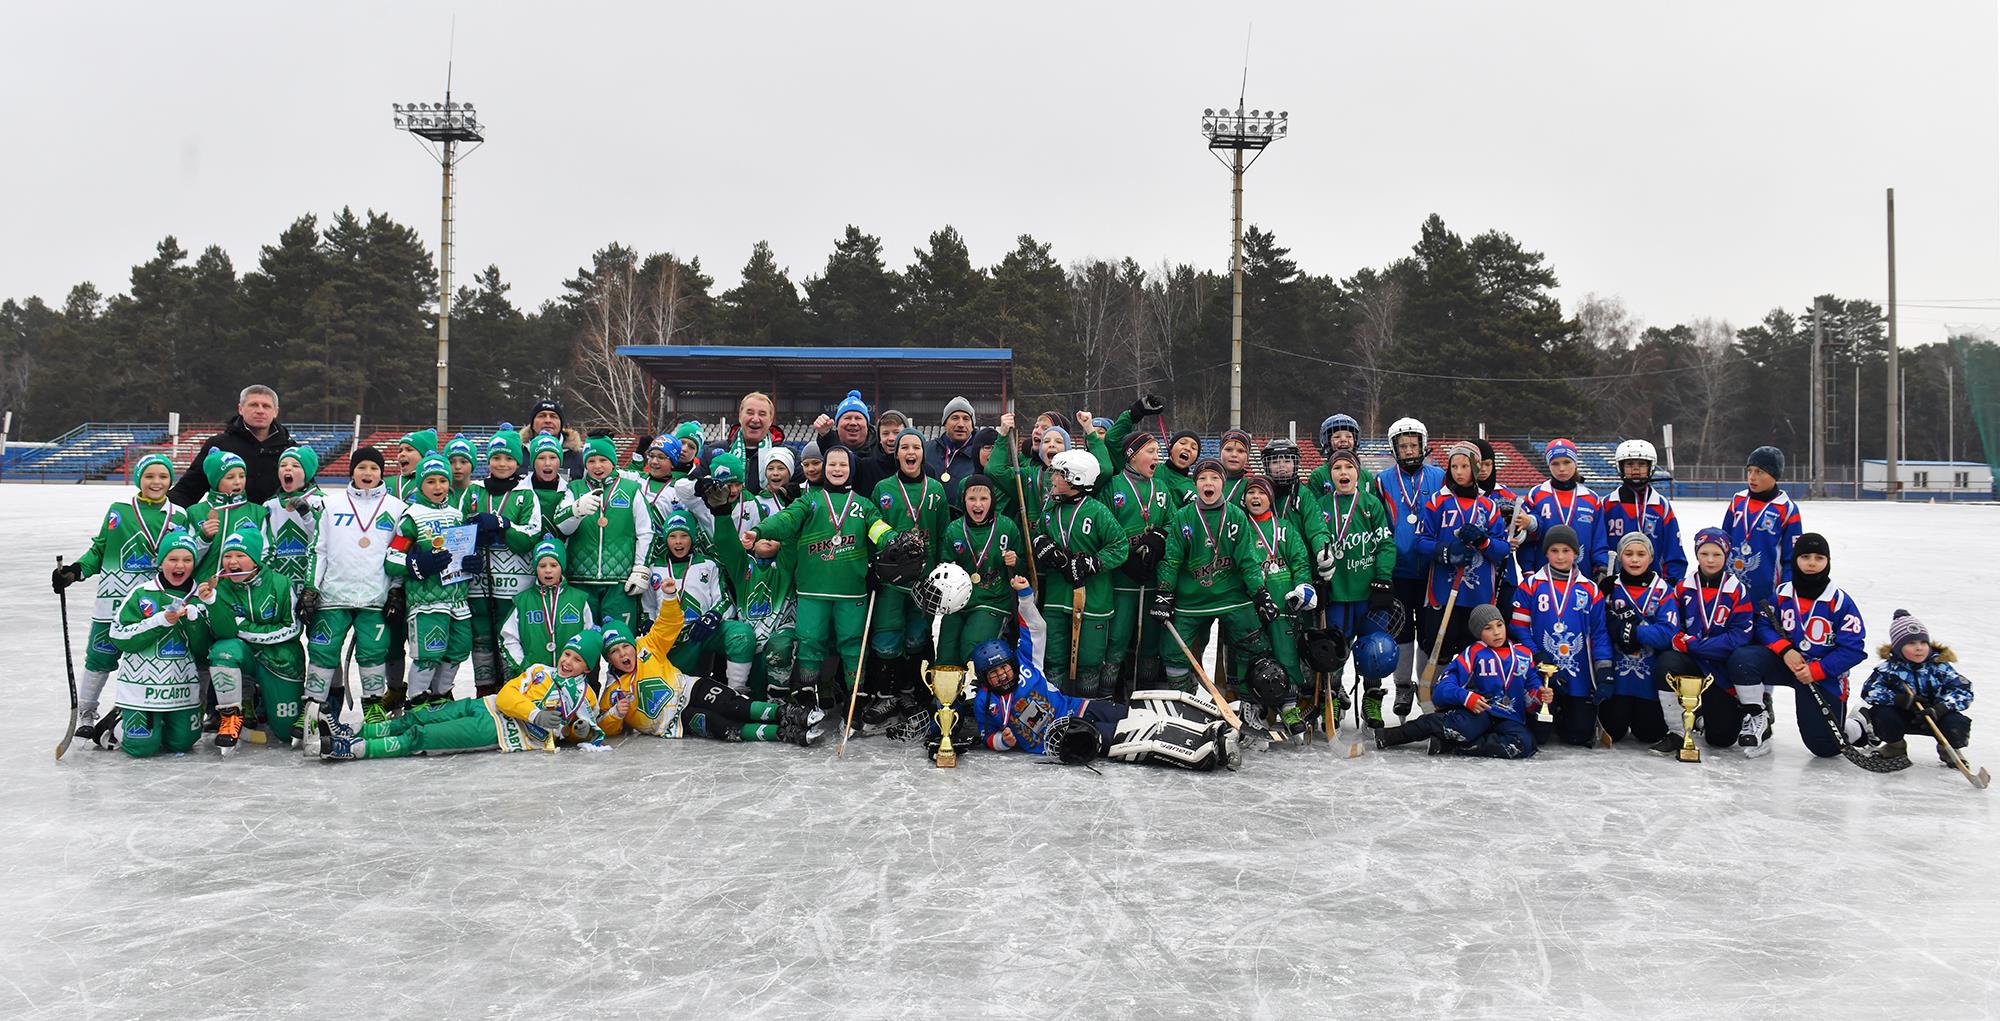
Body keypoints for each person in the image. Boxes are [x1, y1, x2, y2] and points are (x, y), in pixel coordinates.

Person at [967, 574, 1242, 770]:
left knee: (1129, 711)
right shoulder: (986, 702)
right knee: (1130, 734)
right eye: (993, 673)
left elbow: (1036, 628)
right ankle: (1204, 749)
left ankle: (1211, 721)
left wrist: (1025, 597)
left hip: (1077, 707)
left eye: (1003, 667)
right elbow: (987, 734)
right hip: (1065, 736)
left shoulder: (1027, 664)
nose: (1001, 675)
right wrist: (1002, 741)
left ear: (1012, 664)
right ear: (984, 678)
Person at [743, 444, 905, 717]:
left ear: (851, 468)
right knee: (810, 640)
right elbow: (786, 519)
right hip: (812, 589)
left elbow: (878, 528)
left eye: (843, 465)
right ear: (824, 469)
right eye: (832, 465)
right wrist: (760, 530)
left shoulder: (863, 505)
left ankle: (856, 698)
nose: (837, 469)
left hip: (851, 591)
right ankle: (807, 695)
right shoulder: (810, 500)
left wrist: (894, 540)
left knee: (853, 643)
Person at [51, 453, 191, 736]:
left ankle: (148, 711)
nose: (156, 482)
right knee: (100, 657)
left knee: (154, 658)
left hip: (156, 603)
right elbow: (100, 549)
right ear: (139, 478)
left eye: (163, 476)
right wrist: (76, 571)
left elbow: (185, 557)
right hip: (113, 600)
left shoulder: (179, 514)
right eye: (150, 476)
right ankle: (87, 714)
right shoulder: (120, 509)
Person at [319, 630, 610, 760]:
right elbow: (508, 697)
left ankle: (356, 749)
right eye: (567, 653)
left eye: (577, 659)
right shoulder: (538, 670)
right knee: (417, 716)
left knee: (423, 735)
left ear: (587, 666)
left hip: (500, 731)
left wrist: (579, 731)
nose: (567, 661)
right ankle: (353, 730)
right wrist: (535, 713)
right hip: (485, 706)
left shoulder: (587, 696)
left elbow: (581, 731)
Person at [1724, 533, 1866, 759]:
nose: (1811, 563)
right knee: (1743, 659)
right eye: (1805, 556)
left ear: (1827, 562)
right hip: (1787, 663)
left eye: (1819, 558)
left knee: (1825, 748)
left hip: (1821, 673)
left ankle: (1858, 724)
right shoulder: (1782, 594)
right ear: (1796, 560)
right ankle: (1758, 719)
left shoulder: (1839, 601)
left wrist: (1817, 671)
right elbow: (1762, 623)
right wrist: (1785, 649)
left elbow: (1853, 649)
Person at [595, 610, 825, 746]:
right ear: (608, 659)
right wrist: (617, 713)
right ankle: (783, 733)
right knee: (721, 725)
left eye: (625, 647)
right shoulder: (613, 691)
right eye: (614, 652)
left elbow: (669, 623)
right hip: (675, 722)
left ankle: (785, 713)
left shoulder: (647, 646)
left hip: (688, 688)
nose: (623, 654)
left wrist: (668, 595)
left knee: (730, 703)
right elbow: (607, 726)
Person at [106, 533, 236, 758]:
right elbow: (118, 636)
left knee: (182, 743)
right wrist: (159, 621)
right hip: (142, 688)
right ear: (161, 562)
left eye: (187, 560)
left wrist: (196, 623)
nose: (180, 565)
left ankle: (161, 725)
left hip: (181, 688)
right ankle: (117, 723)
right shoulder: (142, 593)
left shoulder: (201, 596)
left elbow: (206, 650)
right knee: (142, 748)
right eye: (173, 559)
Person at [301, 446, 406, 725]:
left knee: (373, 651)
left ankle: (373, 705)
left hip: (375, 596)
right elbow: (318, 550)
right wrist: (311, 588)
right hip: (334, 595)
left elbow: (399, 554)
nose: (367, 473)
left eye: (373, 468)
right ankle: (312, 708)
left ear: (382, 472)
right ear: (352, 471)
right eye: (362, 467)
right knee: (322, 650)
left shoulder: (396, 508)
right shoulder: (331, 505)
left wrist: (396, 590)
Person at [1153, 459, 1273, 697]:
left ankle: (1246, 699)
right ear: (1195, 484)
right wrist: (1164, 593)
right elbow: (1171, 560)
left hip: (1232, 596)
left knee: (1254, 642)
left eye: (1215, 478)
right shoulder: (1183, 517)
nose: (1209, 483)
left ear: (1223, 484)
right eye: (1203, 479)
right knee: (1172, 650)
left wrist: (1260, 593)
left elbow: (1247, 561)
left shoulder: (1236, 516)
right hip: (1192, 599)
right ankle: (1184, 698)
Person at [1408, 441, 1510, 712]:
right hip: (1443, 593)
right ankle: (1431, 704)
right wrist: (1447, 552)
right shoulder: (1437, 502)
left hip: (1477, 599)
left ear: (1476, 469)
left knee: (1472, 652)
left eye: (1465, 466)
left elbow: (1502, 549)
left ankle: (1467, 705)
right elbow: (1420, 542)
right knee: (1437, 649)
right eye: (1454, 466)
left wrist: (1483, 541)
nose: (1459, 471)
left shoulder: (1488, 506)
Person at [1374, 604, 1549, 759]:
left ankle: (1455, 746)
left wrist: (1540, 694)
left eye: (1499, 625)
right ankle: (1392, 735)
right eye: (1488, 628)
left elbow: (1531, 691)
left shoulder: (1524, 654)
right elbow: (1442, 689)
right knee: (1460, 727)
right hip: (1479, 713)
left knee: (1525, 743)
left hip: (1510, 717)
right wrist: (1467, 697)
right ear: (1477, 633)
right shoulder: (1472, 653)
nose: (1496, 632)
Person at [865, 428, 953, 720]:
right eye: (905, 447)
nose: (910, 452)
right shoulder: (883, 489)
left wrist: (941, 573)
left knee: (917, 637)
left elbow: (942, 535)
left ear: (923, 453)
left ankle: (909, 692)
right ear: (896, 453)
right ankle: (885, 695)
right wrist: (873, 567)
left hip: (923, 580)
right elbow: (873, 530)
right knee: (887, 637)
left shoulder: (936, 491)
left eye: (916, 447)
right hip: (891, 581)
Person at [1029, 446, 1128, 698]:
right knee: (1053, 659)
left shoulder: (1097, 511)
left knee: (1089, 661)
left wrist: (1092, 563)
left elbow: (1120, 546)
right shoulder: (1050, 511)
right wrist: (1040, 542)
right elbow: (1039, 534)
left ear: (1076, 478)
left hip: (1093, 601)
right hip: (1056, 600)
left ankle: (1087, 710)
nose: (1052, 479)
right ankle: (1055, 711)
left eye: (1058, 475)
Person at [1651, 527, 1755, 754]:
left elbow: (1739, 637)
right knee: (1667, 662)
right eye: (1704, 554)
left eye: (1717, 554)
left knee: (1722, 739)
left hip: (1720, 668)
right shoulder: (1682, 588)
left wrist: (1694, 645)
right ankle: (1677, 731)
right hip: (1692, 664)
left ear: (1726, 555)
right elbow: (1673, 629)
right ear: (1696, 554)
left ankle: (1699, 717)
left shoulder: (1737, 590)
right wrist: (1682, 641)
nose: (1710, 560)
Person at [1507, 525, 1611, 748]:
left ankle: (1568, 713)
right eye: (1554, 550)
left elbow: (1599, 633)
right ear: (1546, 553)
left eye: (1566, 550)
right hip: (1541, 672)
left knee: (1578, 736)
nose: (1561, 556)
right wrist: (1536, 654)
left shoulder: (1590, 589)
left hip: (1578, 675)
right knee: (1539, 736)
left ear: (1576, 553)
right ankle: (1550, 711)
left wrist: (1604, 669)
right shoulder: (1531, 585)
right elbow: (1518, 628)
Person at [386, 454, 475, 709]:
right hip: (427, 602)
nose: (438, 487)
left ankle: (442, 695)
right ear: (420, 485)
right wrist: (419, 565)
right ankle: (417, 700)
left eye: (443, 481)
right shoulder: (412, 517)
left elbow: (463, 553)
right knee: (428, 655)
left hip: (457, 601)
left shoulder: (457, 515)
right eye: (431, 482)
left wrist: (471, 564)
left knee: (457, 651)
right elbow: (392, 560)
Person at [1314, 448, 1396, 722]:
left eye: (1348, 467)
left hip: (1368, 594)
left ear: (1358, 473)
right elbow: (1314, 542)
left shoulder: (1371, 504)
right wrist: (1318, 579)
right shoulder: (1322, 506)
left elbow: (1385, 544)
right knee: (1334, 651)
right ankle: (1334, 696)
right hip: (1337, 593)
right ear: (1330, 475)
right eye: (1337, 468)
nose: (1343, 473)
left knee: (1376, 651)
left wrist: (1383, 579)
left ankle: (1372, 698)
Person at [206, 526, 305, 751]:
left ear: (255, 559)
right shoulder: (219, 587)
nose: (232, 562)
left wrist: (244, 627)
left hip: (281, 659)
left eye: (240, 555)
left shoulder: (281, 583)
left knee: (284, 732)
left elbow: (292, 628)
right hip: (243, 654)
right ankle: (232, 714)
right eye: (227, 556)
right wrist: (212, 603)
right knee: (224, 650)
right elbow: (225, 632)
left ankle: (256, 695)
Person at [1096, 431, 1178, 694]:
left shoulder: (1162, 487)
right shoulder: (1113, 486)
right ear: (1132, 455)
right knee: (1117, 639)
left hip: (1151, 576)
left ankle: (1146, 695)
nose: (1157, 456)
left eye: (1158, 451)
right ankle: (1108, 695)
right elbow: (1103, 526)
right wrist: (1124, 558)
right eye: (1150, 451)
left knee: (1151, 642)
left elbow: (1172, 522)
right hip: (1122, 579)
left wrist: (1158, 538)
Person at [1372, 417, 1444, 717]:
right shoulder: (1382, 481)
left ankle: (1427, 686)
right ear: (1394, 449)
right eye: (1403, 446)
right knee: (1401, 631)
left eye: (1414, 444)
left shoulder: (1440, 477)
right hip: (1399, 570)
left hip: (1430, 571)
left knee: (1428, 632)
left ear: (1424, 446)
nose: (1409, 450)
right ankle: (1403, 686)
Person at [551, 436, 653, 633]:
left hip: (620, 583)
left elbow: (646, 531)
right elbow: (562, 527)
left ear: (613, 461)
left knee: (621, 644)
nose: (597, 466)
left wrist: (641, 568)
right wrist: (576, 510)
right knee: (582, 648)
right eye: (591, 460)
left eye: (603, 460)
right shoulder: (575, 489)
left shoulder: (631, 489)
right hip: (581, 582)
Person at [469, 432, 544, 697]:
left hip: (514, 583)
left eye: (509, 458)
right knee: (481, 638)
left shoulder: (526, 493)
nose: (502, 464)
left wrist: (503, 526)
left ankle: (512, 691)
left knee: (509, 637)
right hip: (479, 582)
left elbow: (530, 536)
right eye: (496, 458)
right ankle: (484, 690)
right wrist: (468, 547)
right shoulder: (474, 490)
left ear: (518, 462)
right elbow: (460, 529)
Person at [648, 511, 756, 693]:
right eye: (673, 536)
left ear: (693, 537)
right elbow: (648, 607)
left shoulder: (708, 564)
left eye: (684, 536)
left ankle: (736, 692)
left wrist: (713, 616)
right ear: (666, 539)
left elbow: (725, 601)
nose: (678, 542)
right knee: (677, 689)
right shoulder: (654, 568)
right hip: (671, 639)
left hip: (705, 631)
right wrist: (648, 624)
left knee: (741, 634)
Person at [1242, 475, 1319, 730]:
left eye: (1261, 493)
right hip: (1251, 606)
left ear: (1271, 499)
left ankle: (1289, 705)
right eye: (1251, 493)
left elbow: (1299, 561)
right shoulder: (1240, 527)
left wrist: (1303, 586)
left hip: (1283, 606)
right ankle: (1253, 706)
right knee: (1253, 653)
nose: (1256, 498)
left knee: (1286, 654)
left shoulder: (1285, 528)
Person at [1858, 610, 1972, 767]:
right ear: (1898, 647)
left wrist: (1941, 708)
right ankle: (1895, 746)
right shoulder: (1888, 669)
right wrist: (1898, 699)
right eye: (1911, 643)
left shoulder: (1940, 667)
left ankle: (1948, 750)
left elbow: (1964, 691)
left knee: (1957, 723)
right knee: (1882, 715)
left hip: (1935, 717)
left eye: (1923, 642)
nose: (1919, 648)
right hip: (1903, 716)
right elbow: (1869, 691)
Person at [1597, 532, 1679, 747]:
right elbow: (1598, 630)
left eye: (1641, 554)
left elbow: (1667, 634)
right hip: (1619, 679)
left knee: (1649, 734)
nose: (1634, 559)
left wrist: (1631, 632)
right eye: (1629, 553)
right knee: (1614, 730)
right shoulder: (1610, 589)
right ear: (1620, 557)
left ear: (1651, 558)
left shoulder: (1663, 590)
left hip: (1649, 680)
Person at [935, 474, 1021, 668]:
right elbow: (945, 565)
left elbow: (1024, 568)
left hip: (992, 601)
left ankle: (976, 694)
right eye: (972, 499)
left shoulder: (1007, 527)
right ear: (963, 500)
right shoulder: (954, 529)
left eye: (984, 498)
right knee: (946, 653)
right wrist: (945, 570)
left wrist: (1015, 561)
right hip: (957, 603)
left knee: (972, 647)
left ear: (993, 500)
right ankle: (946, 695)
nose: (978, 504)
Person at [168, 384, 295, 507]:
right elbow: (188, 490)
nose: (260, 411)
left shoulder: (290, 450)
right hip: (229, 525)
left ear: (275, 412)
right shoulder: (219, 445)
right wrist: (159, 510)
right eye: (253, 405)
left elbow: (307, 493)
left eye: (266, 406)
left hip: (275, 526)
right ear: (240, 409)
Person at [1592, 438, 1686, 585]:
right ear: (1620, 467)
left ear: (1651, 467)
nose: (1635, 469)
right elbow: (1599, 545)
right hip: (1616, 585)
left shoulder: (1661, 506)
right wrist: (1604, 573)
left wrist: (1669, 584)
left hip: (1652, 587)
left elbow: (1674, 551)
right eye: (1629, 464)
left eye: (1641, 464)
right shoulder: (1608, 504)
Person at [1720, 445, 1802, 609]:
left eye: (1759, 472)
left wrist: (1784, 593)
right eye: (1749, 471)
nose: (1752, 477)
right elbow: (1723, 541)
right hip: (1731, 592)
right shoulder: (1738, 500)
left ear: (1774, 475)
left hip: (1766, 596)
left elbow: (1791, 558)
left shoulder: (1787, 508)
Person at [502, 539, 594, 677]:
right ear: (535, 568)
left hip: (571, 677)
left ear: (562, 567)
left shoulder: (579, 600)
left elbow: (588, 636)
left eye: (554, 565)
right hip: (534, 679)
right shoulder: (523, 602)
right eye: (542, 565)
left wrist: (579, 667)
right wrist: (523, 667)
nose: (548, 570)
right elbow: (509, 638)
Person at [1516, 439, 1600, 580]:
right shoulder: (1536, 494)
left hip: (1583, 578)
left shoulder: (1591, 498)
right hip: (1543, 577)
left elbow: (1599, 540)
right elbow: (1527, 540)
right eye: (1555, 463)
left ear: (1575, 462)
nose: (1561, 469)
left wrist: (1600, 567)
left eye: (1567, 462)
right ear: (1549, 465)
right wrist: (1528, 571)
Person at [187, 449, 266, 582]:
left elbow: (264, 554)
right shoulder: (195, 512)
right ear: (215, 480)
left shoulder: (258, 512)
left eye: (242, 476)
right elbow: (187, 558)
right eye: (230, 477)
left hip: (241, 590)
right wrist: (203, 538)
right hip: (203, 588)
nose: (237, 482)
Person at [262, 445, 324, 593]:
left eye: (295, 465)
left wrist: (307, 514)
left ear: (307, 472)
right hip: (279, 582)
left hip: (311, 580)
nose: (287, 469)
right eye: (283, 465)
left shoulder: (321, 502)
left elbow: (323, 539)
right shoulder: (270, 505)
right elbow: (265, 546)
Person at [723, 391, 784, 490]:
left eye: (762, 414)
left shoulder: (787, 455)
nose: (755, 419)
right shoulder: (714, 452)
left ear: (771, 420)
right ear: (740, 416)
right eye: (750, 413)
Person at [927, 395, 981, 503]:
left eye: (966, 419)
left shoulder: (981, 454)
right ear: (944, 423)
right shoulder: (926, 450)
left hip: (965, 518)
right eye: (955, 418)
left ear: (972, 425)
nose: (961, 424)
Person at [519, 397, 587, 482]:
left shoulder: (578, 456)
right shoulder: (517, 452)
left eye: (553, 416)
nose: (548, 420)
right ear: (532, 424)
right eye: (542, 416)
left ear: (561, 424)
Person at [1307, 413, 1372, 493]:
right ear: (1327, 441)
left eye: (1349, 436)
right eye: (1337, 437)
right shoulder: (1318, 475)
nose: (1343, 440)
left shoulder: (1366, 476)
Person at [387, 428, 438, 503]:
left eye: (409, 450)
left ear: (424, 456)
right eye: (400, 450)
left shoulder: (435, 483)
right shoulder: (387, 482)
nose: (402, 454)